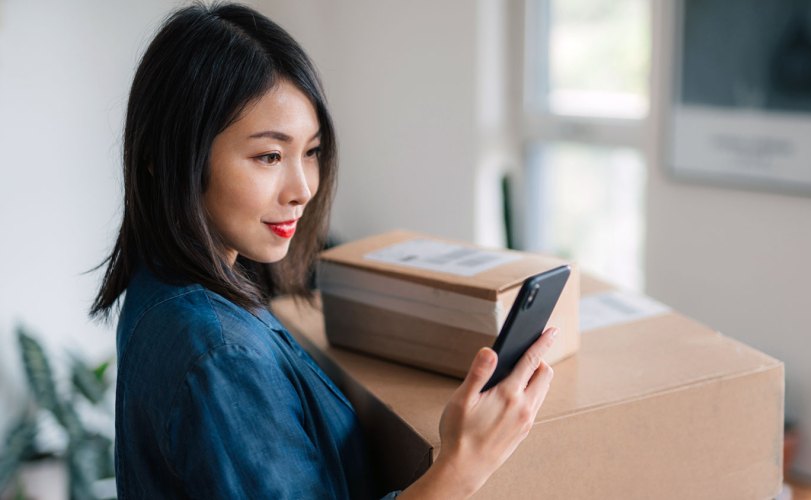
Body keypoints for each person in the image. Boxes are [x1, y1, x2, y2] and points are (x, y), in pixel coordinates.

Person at [91, 3, 556, 499]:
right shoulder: (219, 354)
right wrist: (464, 463)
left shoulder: (167, 288)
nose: (303, 188)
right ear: (167, 160)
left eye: (310, 152)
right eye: (269, 156)